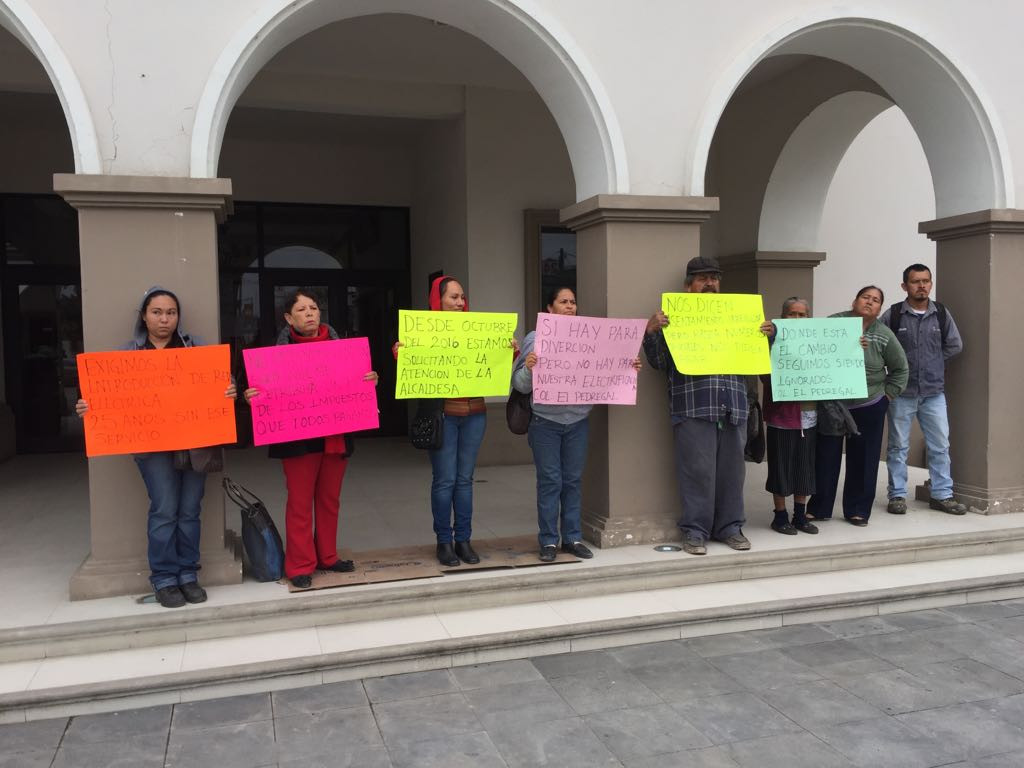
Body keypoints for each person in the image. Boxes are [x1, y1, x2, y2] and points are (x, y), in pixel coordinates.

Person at [76, 286, 237, 608]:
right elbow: (108, 399)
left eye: (171, 312)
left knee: (190, 510)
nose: (165, 319)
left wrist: (228, 390)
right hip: (152, 446)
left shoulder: (197, 351)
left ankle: (188, 575)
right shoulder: (127, 356)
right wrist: (87, 406)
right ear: (144, 316)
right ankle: (164, 578)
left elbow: (220, 386)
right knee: (164, 509)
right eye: (157, 312)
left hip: (196, 443)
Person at [245, 289, 378, 589]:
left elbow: (357, 384)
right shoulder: (275, 355)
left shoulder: (342, 349)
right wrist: (251, 396)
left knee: (330, 500)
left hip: (335, 436)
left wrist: (370, 380)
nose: (310, 313)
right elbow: (261, 393)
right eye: (302, 309)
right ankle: (300, 564)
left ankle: (327, 556)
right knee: (300, 503)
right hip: (298, 440)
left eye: (314, 308)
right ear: (289, 318)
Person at [395, 276, 518, 567]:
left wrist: (509, 351)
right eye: (453, 297)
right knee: (445, 480)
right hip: (444, 416)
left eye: (462, 297)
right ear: (437, 300)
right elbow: (414, 368)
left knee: (464, 481)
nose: (460, 303)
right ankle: (444, 542)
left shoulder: (475, 331)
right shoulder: (422, 331)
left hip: (476, 415)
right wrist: (402, 354)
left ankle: (463, 539)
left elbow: (492, 364)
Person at [511, 286, 642, 561]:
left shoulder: (591, 338)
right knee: (550, 482)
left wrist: (628, 366)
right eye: (563, 302)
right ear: (550, 308)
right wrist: (529, 368)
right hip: (545, 422)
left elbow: (607, 367)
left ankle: (571, 538)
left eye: (573, 302)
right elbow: (520, 386)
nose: (570, 306)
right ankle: (548, 542)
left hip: (577, 422)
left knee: (572, 481)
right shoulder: (535, 339)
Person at [643, 256, 752, 556]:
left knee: (733, 473)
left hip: (733, 406)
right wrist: (652, 333)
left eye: (714, 278)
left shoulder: (737, 316)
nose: (710, 283)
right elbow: (659, 363)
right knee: (696, 471)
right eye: (703, 278)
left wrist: (766, 337)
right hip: (693, 406)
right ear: (688, 285)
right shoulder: (672, 319)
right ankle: (695, 531)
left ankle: (731, 527)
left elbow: (757, 360)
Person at [808, 286, 908, 526]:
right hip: (834, 403)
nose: (869, 302)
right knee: (826, 456)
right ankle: (819, 507)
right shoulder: (834, 323)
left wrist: (887, 398)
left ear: (879, 309)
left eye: (875, 300)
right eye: (866, 297)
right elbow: (811, 348)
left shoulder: (883, 334)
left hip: (869, 403)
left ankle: (858, 510)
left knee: (864, 459)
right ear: (855, 301)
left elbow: (901, 369)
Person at [880, 264, 966, 516]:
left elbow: (955, 345)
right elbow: (880, 344)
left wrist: (934, 362)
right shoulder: (894, 315)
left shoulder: (940, 313)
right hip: (901, 393)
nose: (922, 286)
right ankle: (897, 496)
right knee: (898, 447)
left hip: (933, 393)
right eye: (916, 282)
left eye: (926, 281)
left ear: (931, 283)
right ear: (905, 286)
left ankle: (942, 495)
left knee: (940, 445)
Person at [759, 297, 819, 535]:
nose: (796, 319)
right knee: (781, 467)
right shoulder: (770, 341)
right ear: (782, 317)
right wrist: (771, 340)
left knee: (805, 467)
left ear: (808, 318)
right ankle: (780, 515)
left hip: (809, 414)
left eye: (802, 315)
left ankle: (800, 516)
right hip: (781, 416)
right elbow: (764, 376)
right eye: (791, 314)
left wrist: (854, 347)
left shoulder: (817, 342)